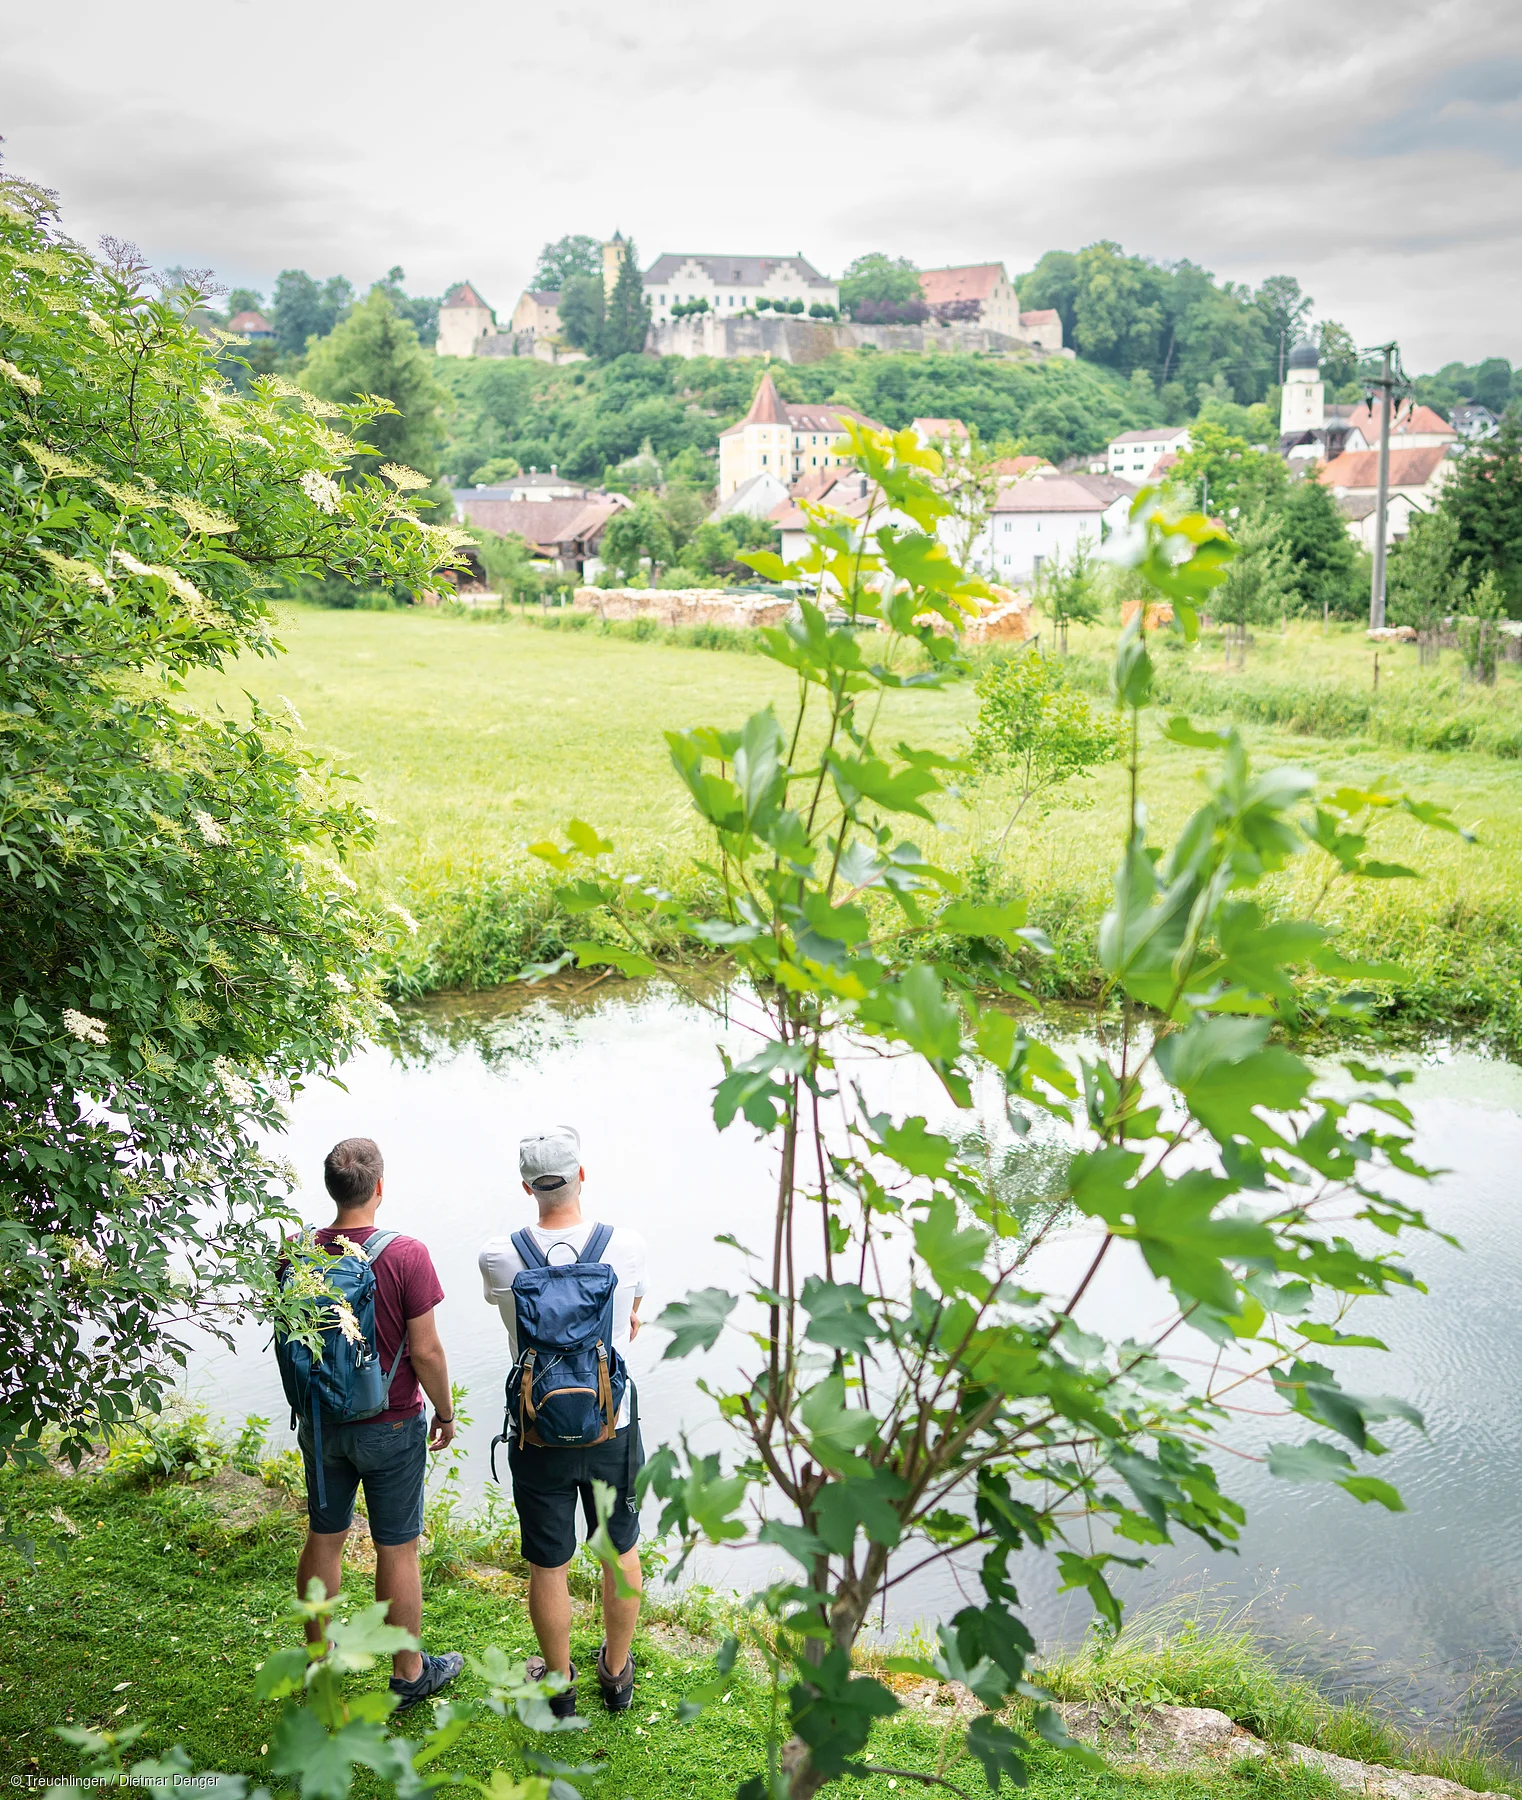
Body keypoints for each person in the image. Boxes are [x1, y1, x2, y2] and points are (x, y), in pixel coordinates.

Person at [479, 1125, 647, 1716]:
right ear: (582, 1175)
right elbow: (631, 1319)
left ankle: (557, 1682)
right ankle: (617, 1674)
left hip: (536, 1429)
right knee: (618, 1549)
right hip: (611, 1426)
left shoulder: (500, 1255)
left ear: (527, 1187)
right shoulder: (623, 1245)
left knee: (548, 1562)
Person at [295, 1136, 463, 1711]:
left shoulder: (299, 1254)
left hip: (321, 1424)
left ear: (331, 1189)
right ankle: (409, 1673)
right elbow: (428, 1352)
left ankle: (320, 1658)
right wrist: (445, 1412)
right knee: (397, 1549)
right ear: (380, 1188)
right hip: (390, 1424)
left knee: (325, 1537)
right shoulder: (406, 1254)